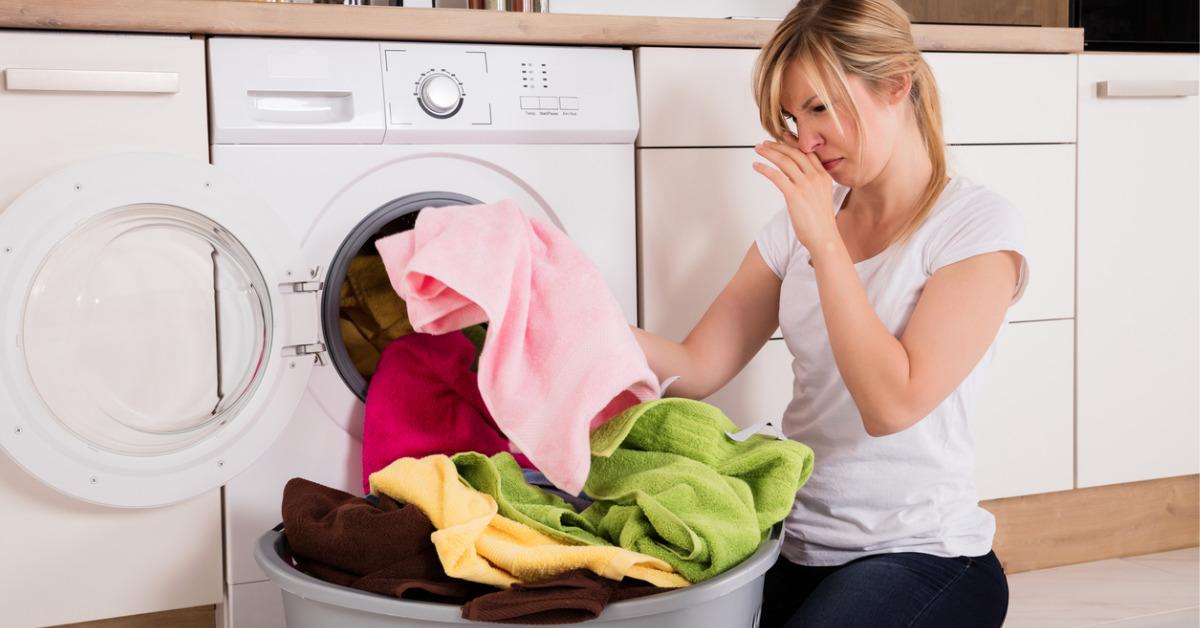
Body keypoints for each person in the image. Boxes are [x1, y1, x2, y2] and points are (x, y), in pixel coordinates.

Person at [630, 0, 1026, 625]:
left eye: (820, 107)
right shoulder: (802, 225)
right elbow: (696, 365)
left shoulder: (974, 228)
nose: (806, 140)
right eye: (792, 116)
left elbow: (890, 405)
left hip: (923, 555)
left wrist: (825, 241)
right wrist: (548, 309)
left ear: (898, 82)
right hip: (793, 543)